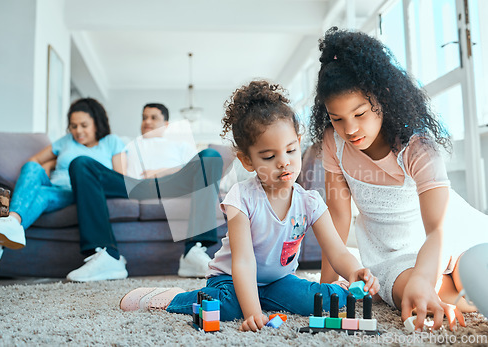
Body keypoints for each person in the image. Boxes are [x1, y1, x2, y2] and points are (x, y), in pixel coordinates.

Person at [118, 80, 379, 332]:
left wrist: (355, 270)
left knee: (321, 301)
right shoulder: (241, 198)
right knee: (228, 308)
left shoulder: (309, 201)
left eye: (290, 151)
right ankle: (171, 297)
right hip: (230, 280)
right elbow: (243, 262)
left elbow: (337, 252)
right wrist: (252, 311)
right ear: (247, 160)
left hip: (278, 281)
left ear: (298, 144)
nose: (284, 163)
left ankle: (307, 293)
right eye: (269, 156)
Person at [311, 27, 488, 331]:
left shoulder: (417, 146)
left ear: (384, 97)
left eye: (360, 113)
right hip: (392, 254)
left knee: (471, 273)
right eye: (337, 118)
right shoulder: (333, 142)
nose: (350, 128)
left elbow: (438, 230)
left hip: (446, 235)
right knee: (416, 296)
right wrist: (326, 286)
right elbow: (338, 215)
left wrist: (425, 275)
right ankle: (438, 288)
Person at [66, 103, 222, 282]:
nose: (147, 121)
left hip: (172, 183)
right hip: (135, 186)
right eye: (144, 117)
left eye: (153, 117)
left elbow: (196, 170)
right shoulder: (128, 144)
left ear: (166, 124)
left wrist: (162, 172)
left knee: (211, 155)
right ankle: (107, 255)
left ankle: (194, 250)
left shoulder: (180, 145)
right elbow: (117, 171)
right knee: (81, 164)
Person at [0, 98, 125, 273]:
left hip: (74, 191)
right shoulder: (66, 141)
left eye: (84, 125)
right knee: (31, 167)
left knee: (42, 196)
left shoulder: (111, 141)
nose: (78, 131)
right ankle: (12, 221)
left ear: (97, 123)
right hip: (52, 186)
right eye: (74, 126)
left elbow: (118, 177)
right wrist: (48, 166)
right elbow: (35, 160)